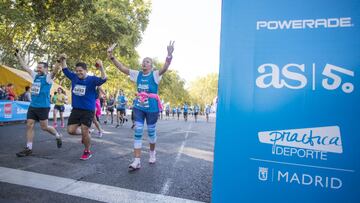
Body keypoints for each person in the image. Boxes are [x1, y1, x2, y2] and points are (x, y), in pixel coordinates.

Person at [108, 41, 174, 170]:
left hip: (152, 108)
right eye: (143, 61)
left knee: (151, 133)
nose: (144, 63)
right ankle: (137, 160)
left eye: (147, 61)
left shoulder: (155, 74)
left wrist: (169, 55)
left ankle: (152, 152)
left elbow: (165, 68)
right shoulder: (137, 74)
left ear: (151, 65)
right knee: (138, 131)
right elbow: (121, 68)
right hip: (138, 107)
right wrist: (111, 56)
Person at [15, 52, 63, 157]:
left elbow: (55, 71)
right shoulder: (35, 76)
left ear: (45, 69)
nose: (38, 69)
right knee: (29, 125)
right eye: (37, 67)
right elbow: (25, 67)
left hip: (43, 107)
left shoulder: (48, 78)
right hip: (33, 106)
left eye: (40, 68)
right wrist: (18, 56)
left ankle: (57, 135)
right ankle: (29, 148)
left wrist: (58, 61)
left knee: (44, 127)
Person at [61, 56, 107, 160]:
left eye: (80, 71)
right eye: (77, 71)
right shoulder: (74, 77)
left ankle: (87, 151)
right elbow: (65, 69)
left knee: (84, 129)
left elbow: (104, 79)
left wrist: (101, 67)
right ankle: (86, 134)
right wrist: (63, 60)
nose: (78, 72)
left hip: (88, 110)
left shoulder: (92, 79)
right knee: (70, 131)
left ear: (86, 70)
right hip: (76, 110)